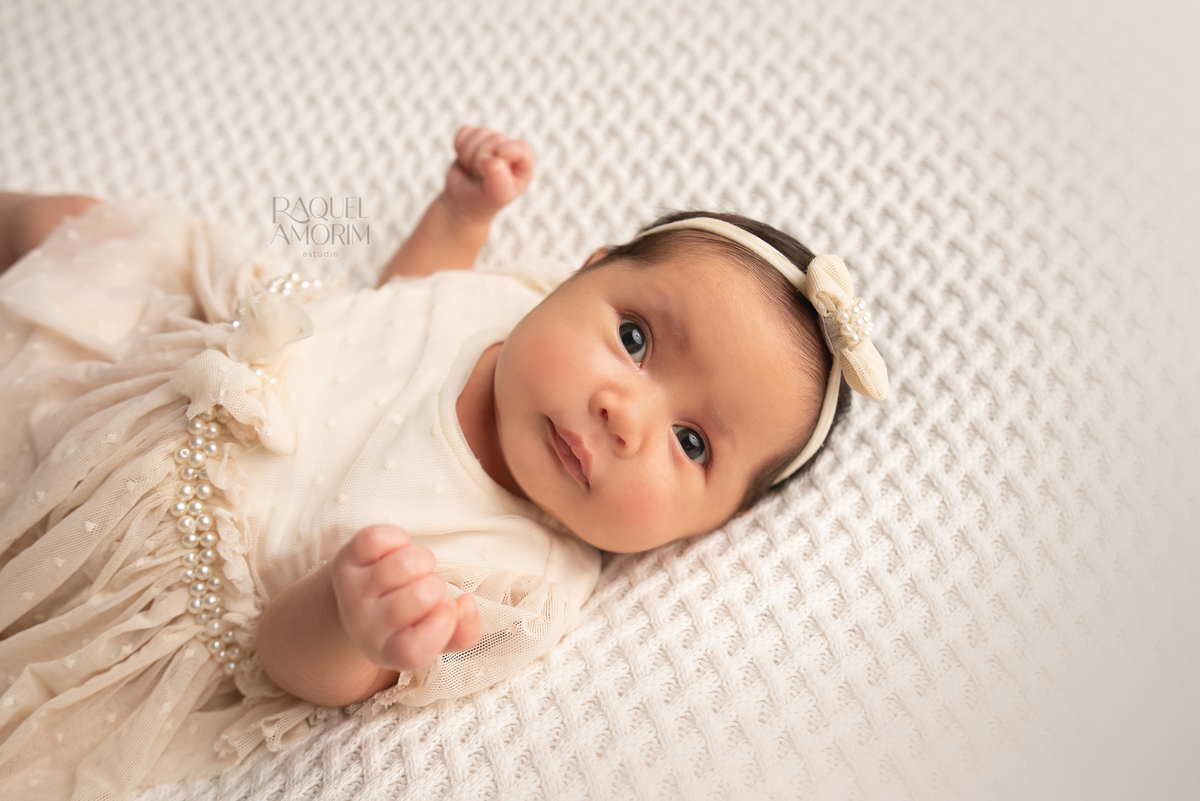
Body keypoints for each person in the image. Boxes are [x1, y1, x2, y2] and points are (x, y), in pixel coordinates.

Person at [0, 126, 888, 799]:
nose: (625, 415)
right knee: (88, 231)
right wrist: (460, 217)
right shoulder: (510, 300)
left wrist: (348, 622)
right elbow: (402, 303)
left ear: (702, 528)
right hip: (182, 350)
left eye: (691, 443)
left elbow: (279, 658)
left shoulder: (516, 581)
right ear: (582, 274)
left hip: (139, 540)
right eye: (634, 339)